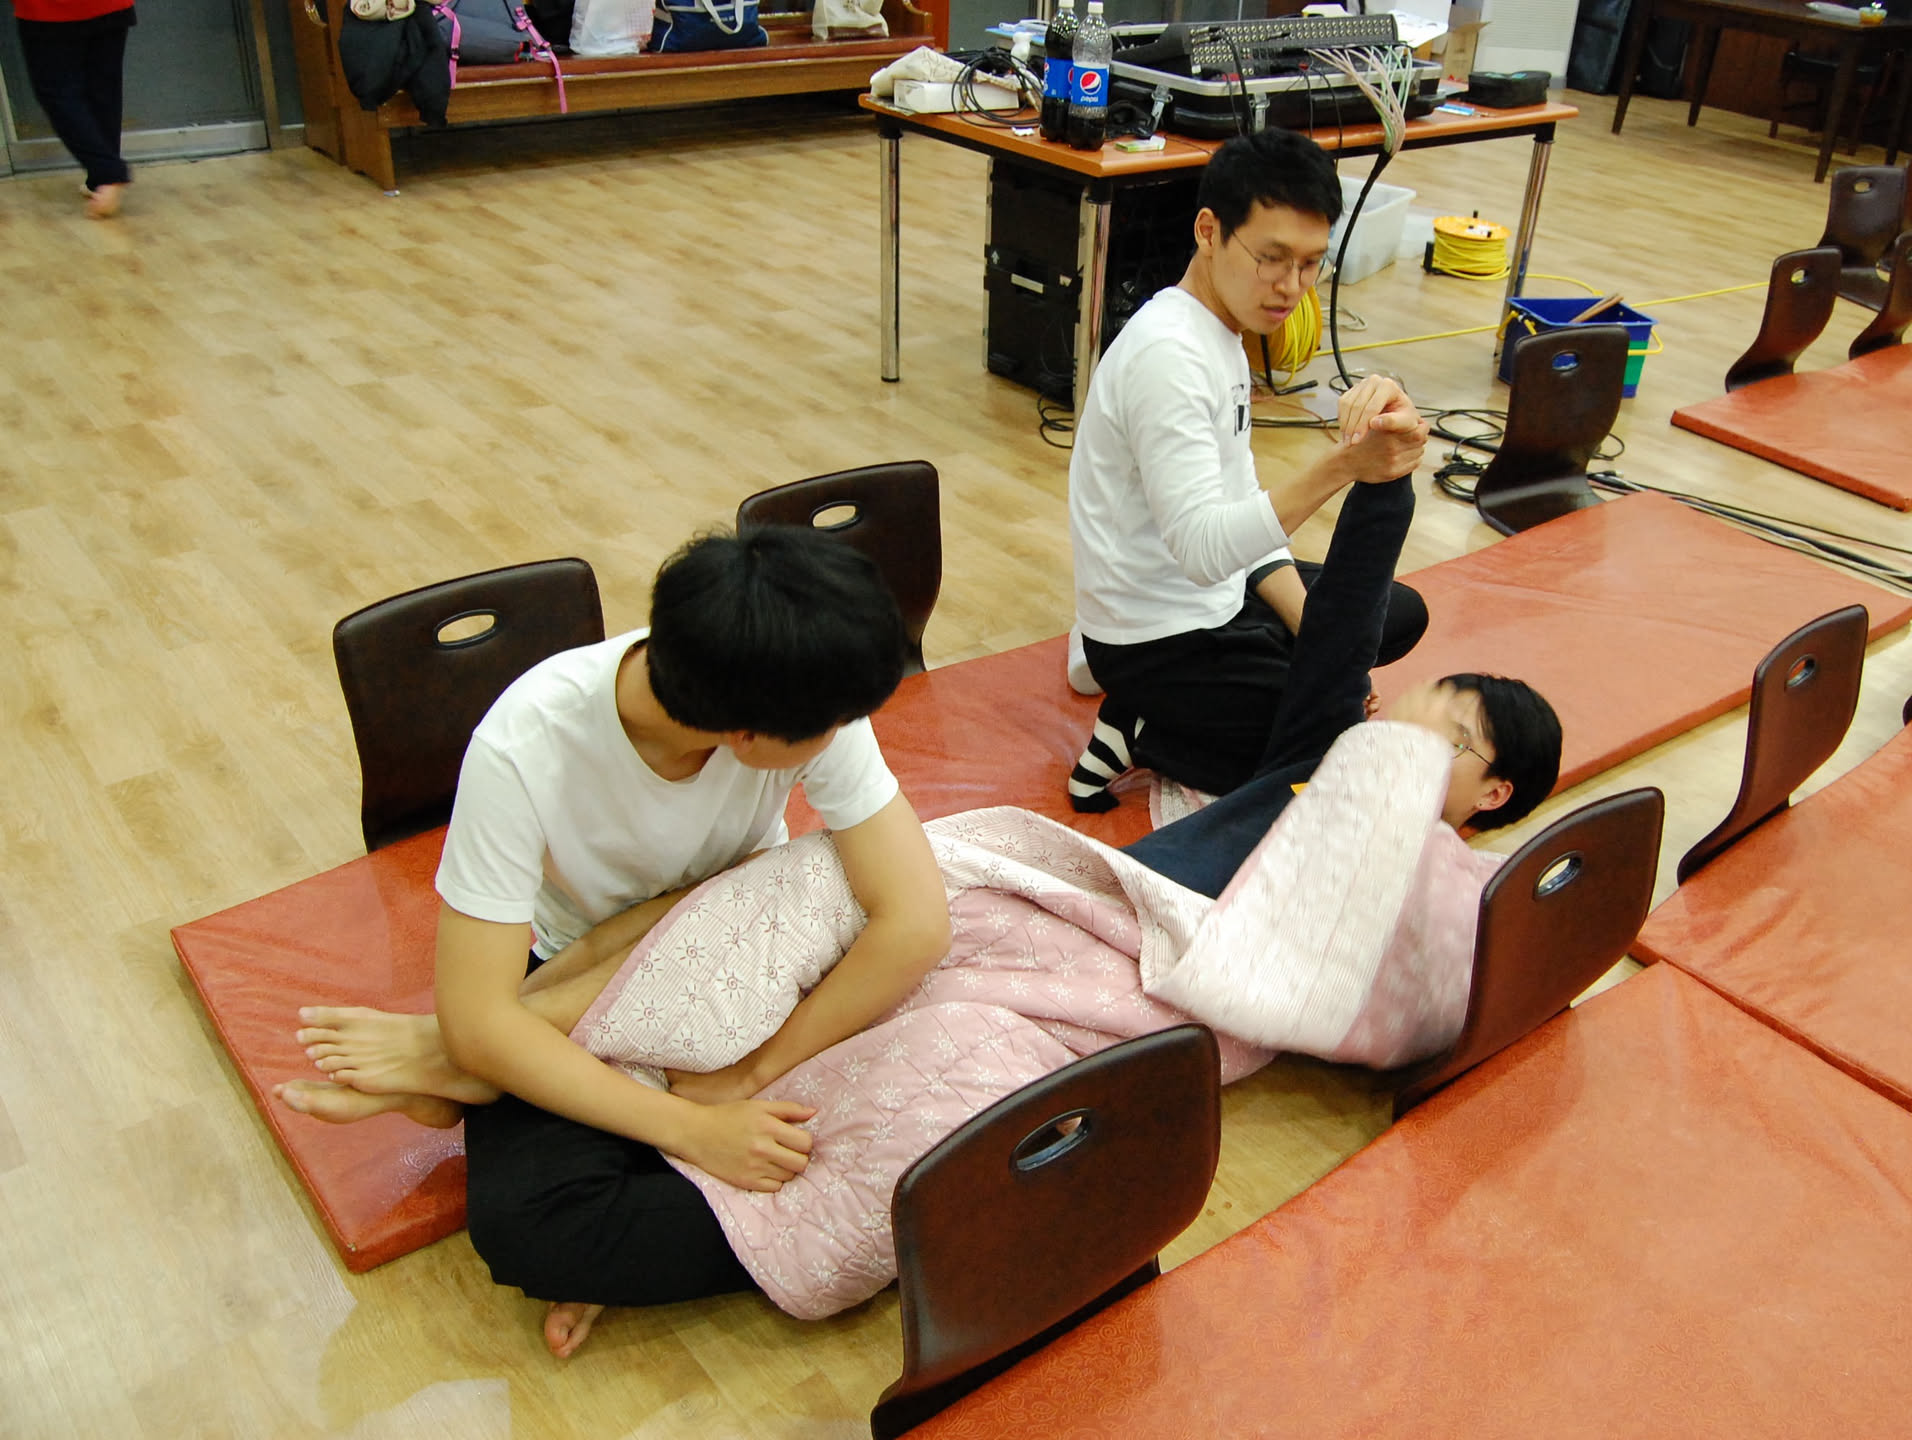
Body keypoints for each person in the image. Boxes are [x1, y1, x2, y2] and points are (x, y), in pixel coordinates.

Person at [275, 527, 952, 1359]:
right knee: (534, 1227)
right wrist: (690, 1129)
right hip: (583, 966)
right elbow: (484, 1018)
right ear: (744, 735)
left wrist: (749, 1076)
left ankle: (453, 1071)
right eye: (839, 723)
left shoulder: (793, 684)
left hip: (758, 935)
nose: (851, 730)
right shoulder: (526, 745)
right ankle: (483, 1078)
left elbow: (915, 921)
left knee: (949, 1084)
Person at [1064, 126, 1435, 811]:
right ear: (1208, 231)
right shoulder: (1169, 357)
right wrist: (1343, 465)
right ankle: (1139, 726)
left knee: (1391, 617)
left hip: (1220, 601)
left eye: (1311, 263)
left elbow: (1244, 518)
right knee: (1327, 756)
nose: (1291, 287)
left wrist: (1314, 636)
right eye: (1272, 258)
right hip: (1151, 636)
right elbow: (1205, 551)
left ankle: (1246, 698)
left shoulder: (1223, 333)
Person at [1122, 472, 1562, 899]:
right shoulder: (1326, 758)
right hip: (1120, 896)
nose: (1411, 737)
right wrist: (1386, 480)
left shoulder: (1444, 887)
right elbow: (1347, 617)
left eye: (1452, 740)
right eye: (1421, 715)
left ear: (1493, 793)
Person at [11, 0, 135, 218]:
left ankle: (108, 172)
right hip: (110, 6)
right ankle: (101, 180)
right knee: (103, 89)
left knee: (57, 93)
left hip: (49, 11)